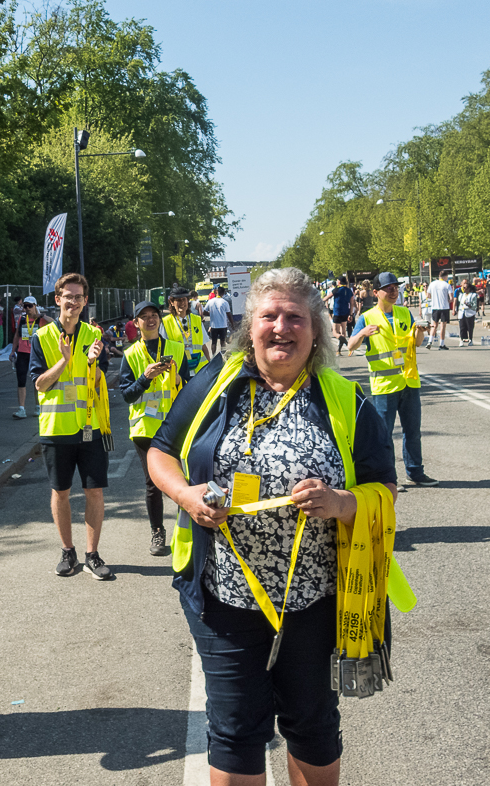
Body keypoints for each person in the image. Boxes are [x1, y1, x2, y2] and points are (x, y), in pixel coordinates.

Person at [147, 267, 398, 786]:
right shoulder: (215, 385)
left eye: (295, 317)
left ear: (316, 330)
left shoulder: (347, 401)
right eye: (269, 316)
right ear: (249, 326)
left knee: (312, 726)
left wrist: (341, 502)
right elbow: (161, 452)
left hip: (316, 603)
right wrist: (185, 494)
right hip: (225, 599)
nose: (281, 327)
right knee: (235, 730)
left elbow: (384, 490)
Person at [29, 272, 113, 580]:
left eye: (79, 297)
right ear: (58, 299)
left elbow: (101, 381)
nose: (73, 302)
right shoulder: (41, 337)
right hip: (56, 428)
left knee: (95, 492)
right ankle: (68, 551)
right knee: (60, 492)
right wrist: (63, 362)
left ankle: (92, 554)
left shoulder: (94, 336)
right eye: (69, 296)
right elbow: (38, 384)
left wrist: (93, 363)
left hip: (90, 427)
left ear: (85, 301)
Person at [348, 272, 438, 487]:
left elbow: (416, 343)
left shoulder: (404, 313)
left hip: (409, 381)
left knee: (413, 432)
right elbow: (351, 345)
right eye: (388, 288)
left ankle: (415, 472)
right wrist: (363, 334)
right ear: (376, 292)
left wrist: (420, 330)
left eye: (395, 287)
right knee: (384, 436)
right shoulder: (367, 317)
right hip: (384, 386)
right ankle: (387, 478)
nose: (393, 291)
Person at [119, 300, 191, 556]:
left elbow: (190, 388)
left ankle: (190, 529)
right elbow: (126, 396)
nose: (150, 320)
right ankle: (158, 533)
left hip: (175, 426)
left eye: (154, 315)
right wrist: (145, 378)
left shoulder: (175, 349)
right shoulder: (130, 355)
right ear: (136, 323)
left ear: (159, 320)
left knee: (183, 479)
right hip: (145, 429)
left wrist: (181, 378)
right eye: (144, 316)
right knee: (153, 484)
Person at [10, 296, 50, 419]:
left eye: (30, 306)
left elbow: (55, 322)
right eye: (25, 306)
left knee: (37, 381)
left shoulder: (41, 319)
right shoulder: (22, 319)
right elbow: (17, 335)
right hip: (22, 352)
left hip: (37, 353)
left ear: (35, 306)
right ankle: (21, 409)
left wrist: (41, 316)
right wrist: (12, 351)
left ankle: (38, 406)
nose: (27, 308)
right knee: (21, 379)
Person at [163, 285, 211, 375]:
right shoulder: (165, 322)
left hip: (198, 370)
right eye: (178, 300)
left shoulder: (196, 319)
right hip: (178, 370)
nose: (182, 303)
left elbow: (203, 346)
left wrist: (209, 365)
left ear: (188, 301)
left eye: (184, 299)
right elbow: (163, 349)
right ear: (172, 302)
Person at [323, 278, 354, 355]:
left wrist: (320, 300)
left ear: (339, 281)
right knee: (343, 331)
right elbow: (352, 303)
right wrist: (351, 314)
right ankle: (339, 351)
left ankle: (348, 344)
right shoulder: (349, 290)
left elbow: (327, 297)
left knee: (335, 332)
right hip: (346, 312)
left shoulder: (337, 290)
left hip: (337, 312)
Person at [424, 270, 453, 350]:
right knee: (442, 326)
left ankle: (430, 341)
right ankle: (442, 344)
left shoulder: (432, 284)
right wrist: (446, 299)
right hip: (444, 307)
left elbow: (428, 295)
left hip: (435, 307)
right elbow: (451, 298)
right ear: (445, 276)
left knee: (434, 325)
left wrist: (435, 298)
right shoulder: (447, 285)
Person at [204, 285, 232, 357]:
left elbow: (204, 312)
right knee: (223, 341)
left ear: (216, 292)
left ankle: (213, 356)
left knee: (214, 342)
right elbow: (228, 314)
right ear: (223, 293)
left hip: (214, 325)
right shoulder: (225, 302)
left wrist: (211, 314)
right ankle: (223, 356)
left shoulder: (210, 301)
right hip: (223, 325)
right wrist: (232, 324)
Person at [456, 279, 479, 346]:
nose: (464, 289)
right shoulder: (461, 295)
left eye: (465, 288)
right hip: (462, 313)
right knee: (462, 327)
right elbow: (459, 304)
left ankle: (470, 339)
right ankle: (462, 339)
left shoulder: (473, 295)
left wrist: (470, 305)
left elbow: (475, 305)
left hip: (469, 313)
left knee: (470, 327)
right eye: (463, 288)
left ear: (469, 288)